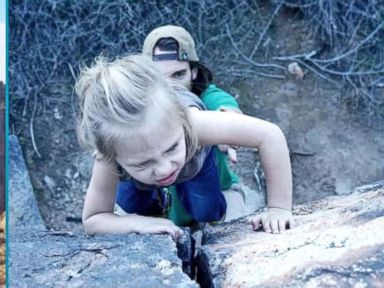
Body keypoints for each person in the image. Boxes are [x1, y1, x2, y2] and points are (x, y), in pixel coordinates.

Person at [76, 54, 293, 239]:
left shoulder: (193, 122)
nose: (164, 169)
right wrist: (136, 223)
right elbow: (94, 219)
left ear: (182, 122)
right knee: (133, 205)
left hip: (193, 162)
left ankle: (173, 182)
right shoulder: (109, 152)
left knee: (206, 209)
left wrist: (278, 208)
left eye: (171, 148)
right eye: (143, 162)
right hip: (137, 178)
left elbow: (269, 135)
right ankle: (153, 200)